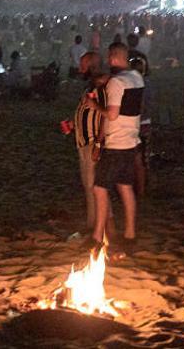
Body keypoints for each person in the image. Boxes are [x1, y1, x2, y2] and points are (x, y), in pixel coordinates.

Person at [91, 43, 144, 253]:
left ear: (112, 58)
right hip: (132, 139)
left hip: (116, 142)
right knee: (125, 186)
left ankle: (97, 235)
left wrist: (93, 106)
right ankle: (130, 233)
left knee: (99, 188)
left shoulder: (116, 83)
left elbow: (111, 114)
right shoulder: (136, 78)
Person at [72, 51, 107, 234]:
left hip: (92, 141)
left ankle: (96, 227)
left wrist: (99, 144)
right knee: (89, 185)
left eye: (83, 66)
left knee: (94, 186)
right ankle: (93, 224)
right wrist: (74, 123)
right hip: (83, 140)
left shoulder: (100, 86)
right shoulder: (90, 86)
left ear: (92, 66)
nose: (80, 69)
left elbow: (105, 116)